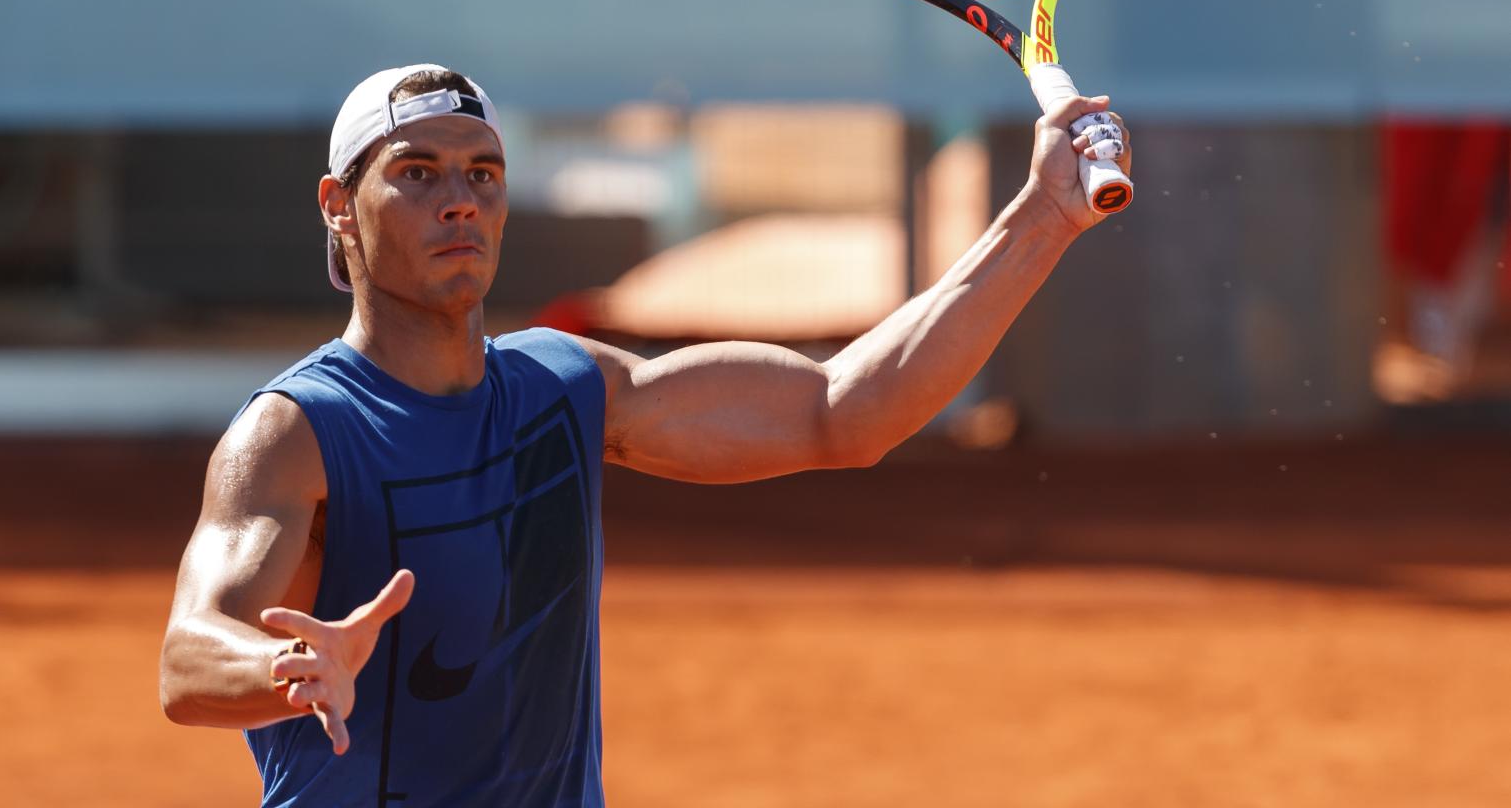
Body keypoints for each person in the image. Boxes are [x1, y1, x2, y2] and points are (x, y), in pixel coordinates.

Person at [158, 63, 1131, 807]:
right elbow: (187, 658)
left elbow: (845, 411)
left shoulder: (565, 387)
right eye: (416, 173)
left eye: (482, 173)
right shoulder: (297, 432)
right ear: (338, 207)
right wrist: (290, 670)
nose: (460, 199)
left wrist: (1042, 217)